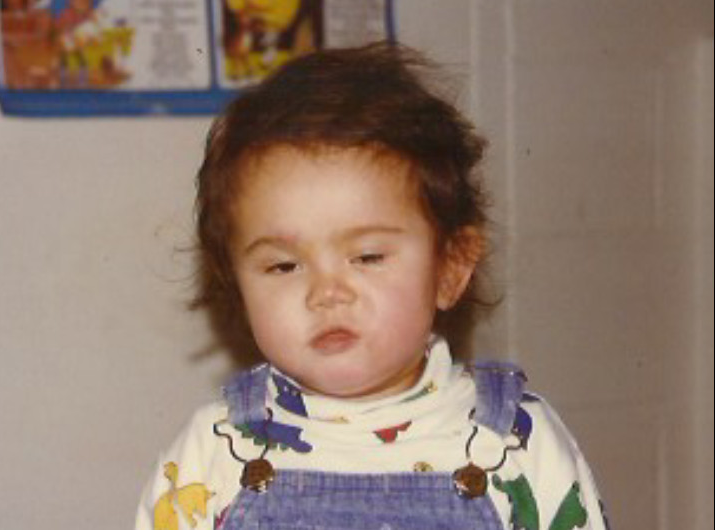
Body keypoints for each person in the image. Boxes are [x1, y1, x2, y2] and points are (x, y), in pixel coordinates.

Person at [135, 42, 609, 530]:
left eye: (367, 257)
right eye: (283, 266)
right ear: (237, 285)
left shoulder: (515, 442)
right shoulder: (216, 451)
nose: (326, 293)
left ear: (451, 267)